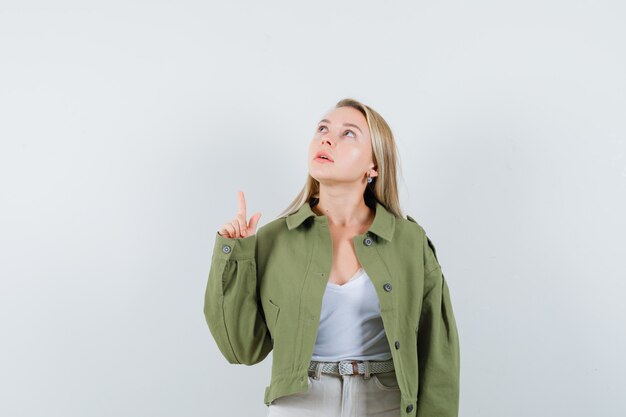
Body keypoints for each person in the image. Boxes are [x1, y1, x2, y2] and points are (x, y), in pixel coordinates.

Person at [204, 98, 460, 417]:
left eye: (348, 133)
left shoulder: (409, 241)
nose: (327, 138)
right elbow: (241, 349)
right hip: (298, 402)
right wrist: (234, 255)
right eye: (322, 129)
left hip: (385, 401)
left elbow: (438, 355)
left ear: (374, 166)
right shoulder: (273, 239)